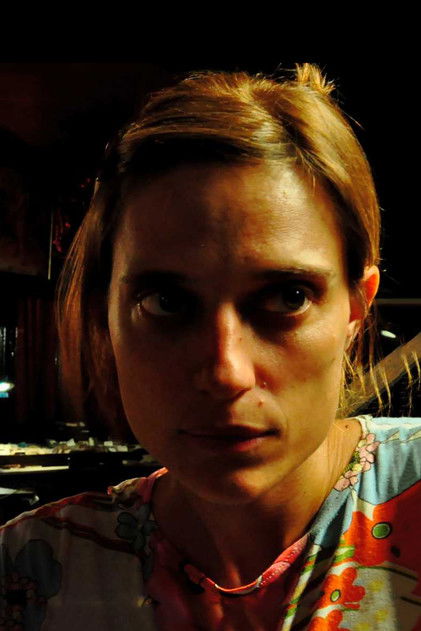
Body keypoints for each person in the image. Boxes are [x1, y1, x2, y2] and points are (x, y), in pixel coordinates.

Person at [1, 64, 420, 630]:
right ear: (106, 315)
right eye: (166, 302)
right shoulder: (27, 576)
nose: (226, 372)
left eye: (288, 297)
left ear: (354, 309)